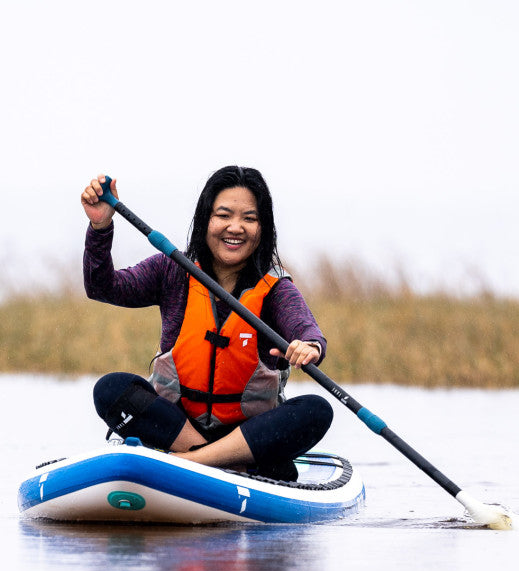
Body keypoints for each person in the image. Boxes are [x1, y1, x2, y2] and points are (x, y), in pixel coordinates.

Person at [81, 166, 333, 480]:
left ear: (262, 228)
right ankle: (213, 462)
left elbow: (306, 331)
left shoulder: (276, 289)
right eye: (224, 215)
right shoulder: (172, 270)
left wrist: (308, 346)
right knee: (110, 388)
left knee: (316, 410)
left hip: (245, 439)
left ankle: (194, 463)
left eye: (249, 219)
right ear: (206, 220)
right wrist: (100, 226)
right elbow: (102, 288)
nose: (236, 227)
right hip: (176, 429)